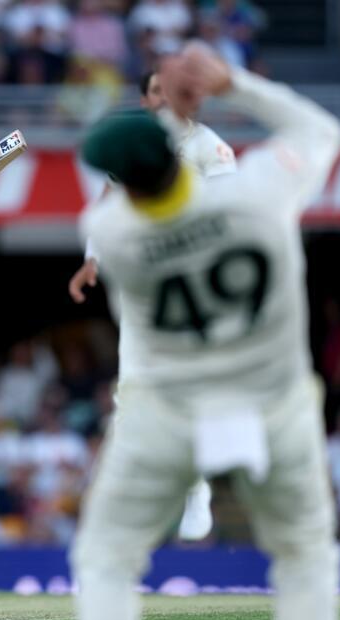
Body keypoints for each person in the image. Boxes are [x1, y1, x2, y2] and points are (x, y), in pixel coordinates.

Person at [71, 45, 340, 620]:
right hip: (277, 404)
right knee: (305, 557)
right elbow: (321, 129)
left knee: (106, 557)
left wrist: (172, 116)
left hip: (170, 411)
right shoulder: (259, 197)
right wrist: (232, 84)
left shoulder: (118, 237)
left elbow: (134, 183)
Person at [69, 67, 237, 542]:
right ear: (145, 101)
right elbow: (110, 198)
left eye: (174, 91)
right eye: (157, 92)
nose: (166, 99)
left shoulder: (210, 147)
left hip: (197, 288)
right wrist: (91, 258)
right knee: (133, 394)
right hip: (144, 287)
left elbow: (229, 215)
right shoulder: (135, 145)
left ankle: (197, 487)